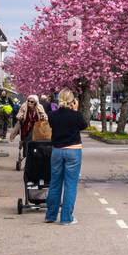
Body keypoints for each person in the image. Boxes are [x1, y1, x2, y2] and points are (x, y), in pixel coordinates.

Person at [45, 88, 88, 225]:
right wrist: (75, 111)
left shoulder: (52, 115)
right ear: (72, 100)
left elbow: (53, 125)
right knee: (70, 185)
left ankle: (50, 216)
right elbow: (83, 125)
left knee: (55, 183)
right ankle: (66, 218)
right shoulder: (76, 115)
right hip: (73, 151)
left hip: (57, 151)